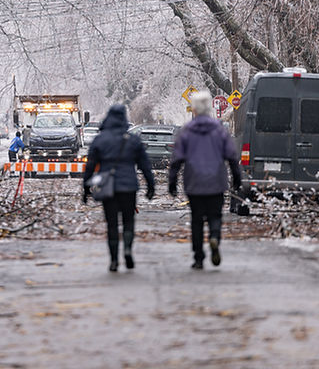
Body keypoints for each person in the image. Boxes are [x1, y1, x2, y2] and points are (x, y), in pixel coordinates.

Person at [169, 90, 241, 270]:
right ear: (209, 107)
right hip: (216, 181)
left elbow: (177, 159)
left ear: (194, 109)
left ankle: (198, 257)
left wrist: (172, 182)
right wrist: (237, 179)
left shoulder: (187, 131)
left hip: (194, 182)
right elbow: (232, 156)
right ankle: (215, 237)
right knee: (215, 215)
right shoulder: (219, 130)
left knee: (197, 220)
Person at [82, 104, 155, 272]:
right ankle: (128, 249)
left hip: (107, 187)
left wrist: (85, 188)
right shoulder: (132, 140)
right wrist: (151, 186)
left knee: (112, 224)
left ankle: (114, 259)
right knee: (128, 221)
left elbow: (90, 166)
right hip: (128, 187)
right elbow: (145, 165)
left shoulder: (100, 140)